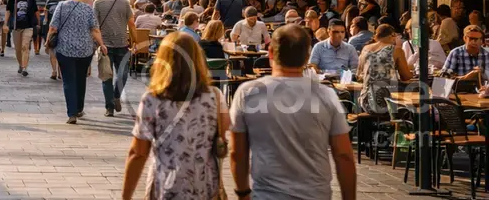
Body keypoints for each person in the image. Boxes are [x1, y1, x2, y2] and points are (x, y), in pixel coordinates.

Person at [229, 24, 357, 200]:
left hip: (267, 194)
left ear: (271, 53)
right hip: (316, 194)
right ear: (306, 56)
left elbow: (238, 152)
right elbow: (343, 154)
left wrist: (242, 192)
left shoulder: (249, 93)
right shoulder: (325, 95)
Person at [121, 32, 229, 200]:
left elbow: (138, 152)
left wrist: (126, 196)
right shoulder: (215, 96)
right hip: (205, 185)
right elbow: (224, 129)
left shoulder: (152, 99)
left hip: (166, 184)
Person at [47, 0, 104, 124]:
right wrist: (102, 44)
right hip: (85, 50)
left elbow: (53, 27)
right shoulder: (88, 9)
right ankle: (79, 108)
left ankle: (72, 113)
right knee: (80, 79)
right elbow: (95, 29)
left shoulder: (61, 6)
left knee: (68, 80)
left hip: (65, 49)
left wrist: (48, 42)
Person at [95, 0, 138, 115]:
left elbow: (95, 26)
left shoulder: (98, 3)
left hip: (104, 45)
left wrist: (98, 43)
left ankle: (110, 105)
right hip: (122, 43)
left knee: (106, 76)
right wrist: (135, 41)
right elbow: (131, 23)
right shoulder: (125, 2)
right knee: (123, 74)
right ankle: (116, 96)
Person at [357, 24, 414, 114]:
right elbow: (406, 77)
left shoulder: (365, 49)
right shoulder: (396, 50)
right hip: (387, 103)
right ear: (392, 35)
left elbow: (359, 76)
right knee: (412, 108)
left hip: (366, 102)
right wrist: (413, 73)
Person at [7, 0, 39, 77]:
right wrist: (5, 23)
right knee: (17, 48)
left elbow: (35, 10)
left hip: (28, 25)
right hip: (16, 26)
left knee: (25, 46)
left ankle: (25, 67)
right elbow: (8, 10)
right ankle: (20, 64)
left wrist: (38, 23)